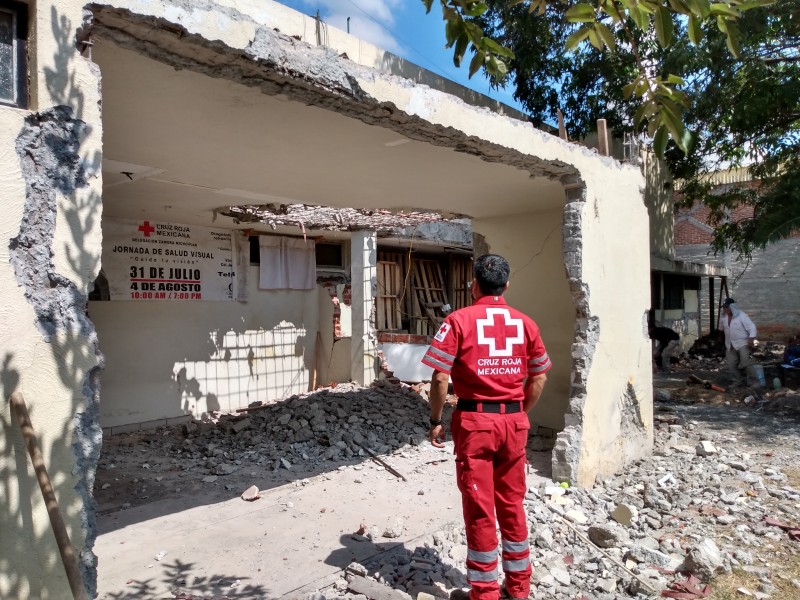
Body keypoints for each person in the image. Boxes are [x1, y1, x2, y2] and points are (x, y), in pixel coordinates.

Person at [421, 254, 551, 600]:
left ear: (473, 285)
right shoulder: (526, 323)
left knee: (480, 509)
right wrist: (519, 410)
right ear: (506, 286)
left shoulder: (458, 320)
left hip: (475, 422)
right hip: (514, 422)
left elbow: (439, 378)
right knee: (512, 503)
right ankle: (519, 588)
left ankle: (485, 593)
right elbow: (539, 377)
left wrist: (435, 420)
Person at [721, 297, 757, 387]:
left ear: (732, 307)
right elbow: (722, 330)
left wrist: (751, 340)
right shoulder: (723, 318)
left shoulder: (742, 316)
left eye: (726, 307)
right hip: (730, 344)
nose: (725, 309)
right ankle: (736, 382)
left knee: (746, 363)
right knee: (731, 365)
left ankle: (753, 382)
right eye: (724, 307)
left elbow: (752, 327)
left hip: (742, 343)